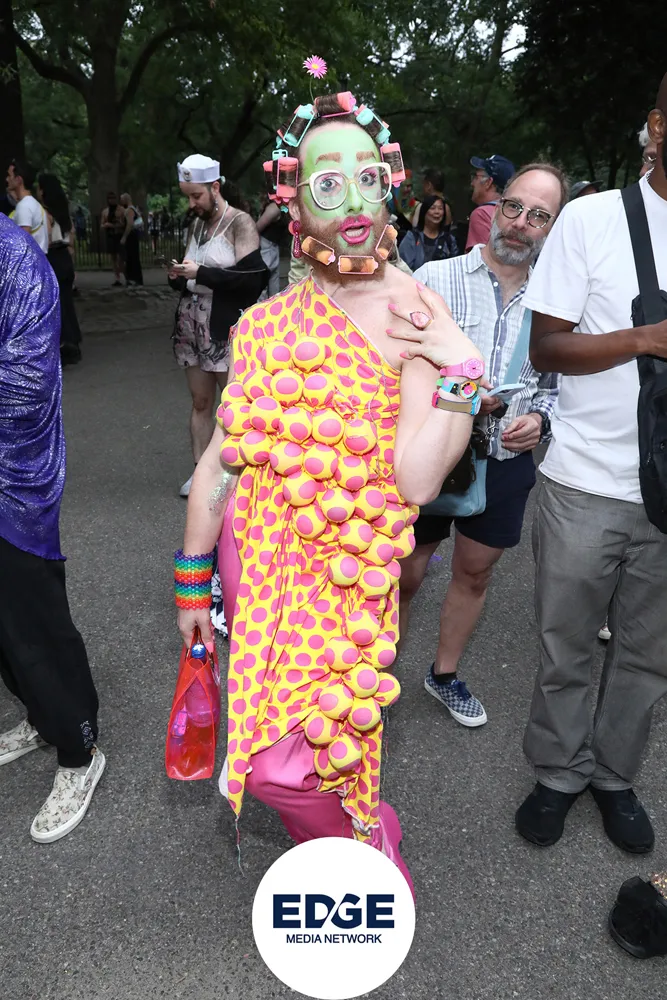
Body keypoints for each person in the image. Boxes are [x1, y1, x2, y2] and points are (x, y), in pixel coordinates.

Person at [174, 89, 483, 882]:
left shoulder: (415, 311)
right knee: (270, 755)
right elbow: (219, 463)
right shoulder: (265, 323)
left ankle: (362, 843)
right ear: (295, 202)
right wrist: (192, 582)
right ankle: (351, 839)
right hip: (256, 562)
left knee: (291, 763)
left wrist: (459, 369)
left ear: (389, 187)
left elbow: (417, 481)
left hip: (346, 570)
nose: (350, 201)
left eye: (367, 179)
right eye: (326, 183)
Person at [514, 74, 667, 855]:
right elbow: (545, 347)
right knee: (565, 643)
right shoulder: (592, 217)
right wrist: (644, 339)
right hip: (583, 482)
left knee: (647, 655)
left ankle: (612, 776)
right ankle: (557, 772)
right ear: (656, 127)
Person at [398, 164, 565, 725]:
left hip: (506, 460)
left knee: (474, 573)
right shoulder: (436, 278)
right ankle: (373, 676)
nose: (520, 223)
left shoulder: (558, 299)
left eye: (538, 216)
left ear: (552, 228)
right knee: (403, 572)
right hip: (430, 454)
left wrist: (540, 420)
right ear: (495, 208)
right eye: (514, 207)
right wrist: (462, 398)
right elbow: (396, 368)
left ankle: (444, 675)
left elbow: (558, 387)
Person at [0, 213, 104, 842]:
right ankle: (40, 717)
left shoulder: (16, 259)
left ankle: (78, 749)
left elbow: (28, 382)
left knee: (31, 618)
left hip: (11, 481)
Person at [168, 154, 267, 498]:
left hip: (223, 322)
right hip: (191, 320)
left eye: (196, 196)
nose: (192, 204)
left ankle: (239, 473)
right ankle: (201, 473)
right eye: (188, 197)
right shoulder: (197, 224)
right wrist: (178, 276)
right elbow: (192, 275)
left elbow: (253, 279)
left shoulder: (240, 222)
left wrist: (202, 273)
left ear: (214, 187)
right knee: (200, 401)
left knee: (234, 402)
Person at [36, 172, 82, 366]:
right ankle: (73, 340)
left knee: (56, 305)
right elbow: (71, 240)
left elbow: (45, 239)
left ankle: (64, 345)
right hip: (64, 257)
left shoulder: (45, 213)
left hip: (53, 256)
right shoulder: (64, 214)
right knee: (66, 302)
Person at [466, 154, 515, 251]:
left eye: (475, 177)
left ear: (488, 182)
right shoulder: (515, 213)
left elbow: (480, 258)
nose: (472, 183)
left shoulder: (481, 214)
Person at [399, 195, 458, 271]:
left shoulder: (449, 240)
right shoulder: (412, 237)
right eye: (432, 208)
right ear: (424, 211)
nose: (437, 212)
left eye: (440, 208)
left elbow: (454, 267)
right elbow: (403, 268)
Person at [6, 159, 49, 251]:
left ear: (18, 180)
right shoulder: (34, 204)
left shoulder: (24, 206)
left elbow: (22, 244)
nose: (7, 179)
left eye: (9, 176)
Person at [256, 197, 286, 297]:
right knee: (264, 281)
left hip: (272, 246)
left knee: (273, 282)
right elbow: (257, 228)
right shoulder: (275, 207)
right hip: (265, 245)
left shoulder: (281, 207)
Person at [100, 192, 125, 286]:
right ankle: (117, 277)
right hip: (110, 235)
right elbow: (102, 224)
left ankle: (123, 273)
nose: (112, 200)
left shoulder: (121, 210)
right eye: (110, 198)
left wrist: (113, 225)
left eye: (113, 198)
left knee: (121, 257)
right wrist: (105, 225)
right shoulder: (105, 211)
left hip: (119, 235)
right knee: (113, 257)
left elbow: (123, 224)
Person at [119, 193, 144, 286]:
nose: (121, 201)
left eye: (122, 199)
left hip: (131, 236)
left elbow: (130, 224)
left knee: (132, 257)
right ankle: (133, 278)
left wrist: (124, 237)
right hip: (132, 236)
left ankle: (134, 278)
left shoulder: (130, 210)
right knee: (131, 257)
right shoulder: (131, 209)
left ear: (126, 199)